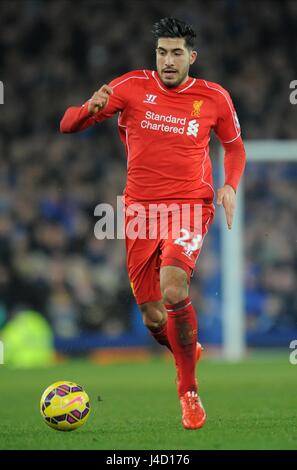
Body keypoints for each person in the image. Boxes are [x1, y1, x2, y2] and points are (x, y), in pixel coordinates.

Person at [60, 17, 246, 430]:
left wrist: (230, 185)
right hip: (140, 212)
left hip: (189, 206)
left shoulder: (214, 97)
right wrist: (86, 110)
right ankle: (186, 349)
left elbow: (234, 149)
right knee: (152, 315)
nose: (167, 60)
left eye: (176, 52)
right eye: (161, 52)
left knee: (174, 286)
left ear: (191, 57)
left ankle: (189, 392)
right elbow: (67, 125)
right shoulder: (129, 87)